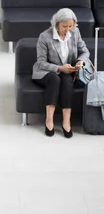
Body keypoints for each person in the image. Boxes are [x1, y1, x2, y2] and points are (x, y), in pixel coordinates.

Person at [32, 9, 90, 138]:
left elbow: (85, 51)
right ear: (56, 24)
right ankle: (49, 119)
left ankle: (66, 121)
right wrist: (59, 68)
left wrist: (80, 61)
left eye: (71, 26)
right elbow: (41, 62)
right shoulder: (44, 37)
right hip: (46, 71)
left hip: (67, 71)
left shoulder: (75, 33)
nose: (68, 29)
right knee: (54, 79)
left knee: (67, 80)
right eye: (65, 26)